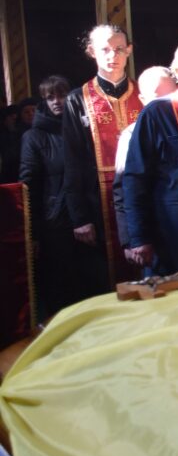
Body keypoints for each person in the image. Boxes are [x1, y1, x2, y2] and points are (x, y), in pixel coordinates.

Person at [122, 41, 178, 275]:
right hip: (172, 229)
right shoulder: (156, 113)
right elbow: (135, 178)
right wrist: (139, 236)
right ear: (177, 73)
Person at [62, 24, 143, 289]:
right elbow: (72, 160)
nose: (113, 55)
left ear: (129, 50)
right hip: (96, 201)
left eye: (119, 49)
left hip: (141, 196)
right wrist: (79, 217)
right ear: (91, 52)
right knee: (104, 279)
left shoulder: (144, 93)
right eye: (105, 49)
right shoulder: (78, 100)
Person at [19, 76, 91, 319]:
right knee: (62, 286)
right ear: (44, 101)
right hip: (55, 221)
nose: (58, 102)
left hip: (85, 213)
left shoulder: (81, 127)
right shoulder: (34, 137)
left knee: (88, 283)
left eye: (61, 95)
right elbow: (29, 185)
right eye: (51, 97)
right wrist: (34, 233)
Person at [112, 66, 178, 256]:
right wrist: (131, 239)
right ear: (143, 100)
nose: (165, 104)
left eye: (171, 96)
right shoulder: (132, 134)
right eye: (158, 98)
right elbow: (123, 189)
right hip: (155, 231)